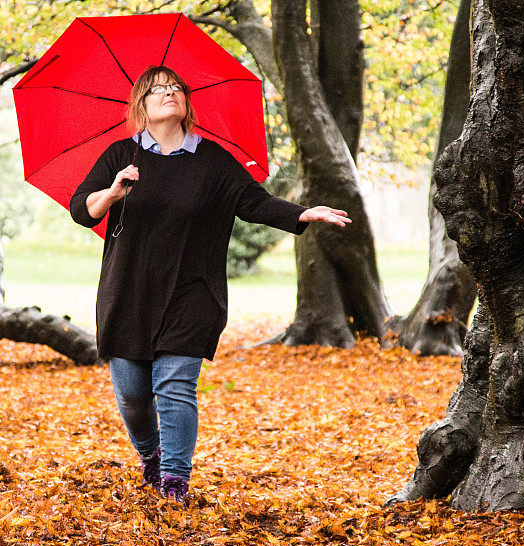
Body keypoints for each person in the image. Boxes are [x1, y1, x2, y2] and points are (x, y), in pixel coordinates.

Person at [69, 65, 350, 504]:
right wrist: (112, 192)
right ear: (140, 105)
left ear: (186, 103)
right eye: (158, 89)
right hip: (129, 293)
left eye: (177, 87)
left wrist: (300, 214)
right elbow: (81, 208)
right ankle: (151, 454)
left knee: (174, 385)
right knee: (132, 395)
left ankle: (175, 481)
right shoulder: (120, 157)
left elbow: (253, 201)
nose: (170, 93)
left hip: (193, 291)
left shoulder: (213, 160)